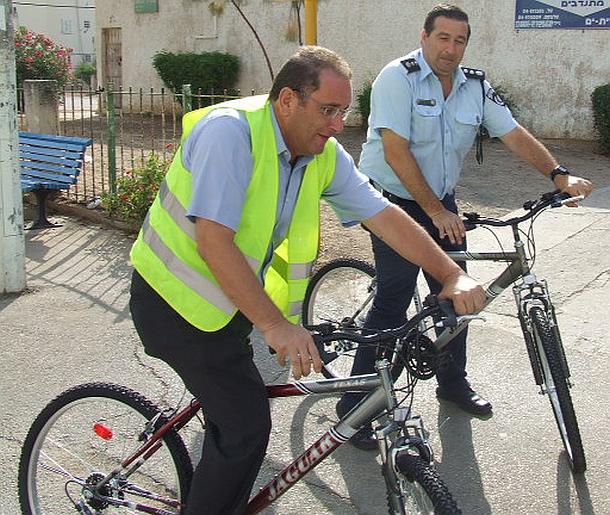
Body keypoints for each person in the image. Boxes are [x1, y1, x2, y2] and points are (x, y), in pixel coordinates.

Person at [128, 45, 486, 514]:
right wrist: (276, 326)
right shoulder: (230, 135)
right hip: (171, 303)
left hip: (227, 304)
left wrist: (450, 274)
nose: (338, 124)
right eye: (328, 110)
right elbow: (214, 242)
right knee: (246, 425)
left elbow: (383, 216)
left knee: (231, 410)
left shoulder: (321, 153)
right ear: (287, 101)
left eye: (343, 112)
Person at [338, 3, 593, 450]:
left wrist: (559, 174)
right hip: (391, 201)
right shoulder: (396, 77)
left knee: (459, 293)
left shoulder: (475, 86)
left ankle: (451, 383)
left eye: (459, 40)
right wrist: (436, 211)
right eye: (443, 38)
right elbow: (395, 150)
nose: (451, 49)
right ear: (424, 36)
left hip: (441, 201)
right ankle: (355, 407)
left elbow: (512, 133)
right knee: (394, 299)